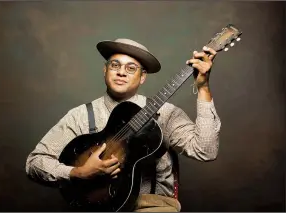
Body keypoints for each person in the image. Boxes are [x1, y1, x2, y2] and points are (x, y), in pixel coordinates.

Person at [26, 38, 221, 212]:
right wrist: (77, 172)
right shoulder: (80, 116)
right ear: (105, 70)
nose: (121, 72)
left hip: (152, 206)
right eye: (115, 65)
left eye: (131, 68)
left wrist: (203, 88)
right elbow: (34, 163)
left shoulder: (166, 113)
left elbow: (206, 150)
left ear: (142, 77)